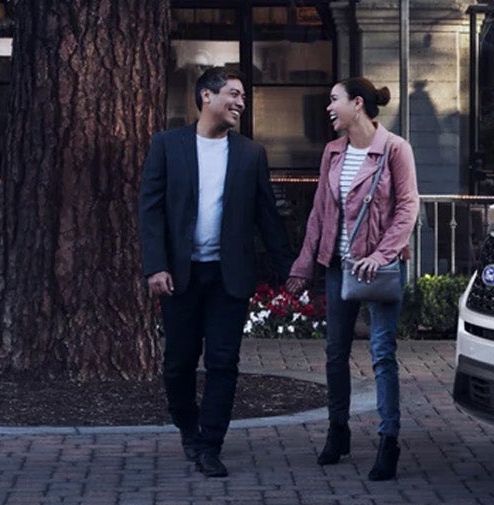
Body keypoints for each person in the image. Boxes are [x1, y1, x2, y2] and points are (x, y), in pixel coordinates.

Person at [138, 66, 294, 478]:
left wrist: (291, 270)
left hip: (230, 277)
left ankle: (211, 444)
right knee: (178, 363)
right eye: (233, 93)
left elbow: (267, 216)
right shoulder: (168, 146)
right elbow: (150, 210)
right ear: (206, 96)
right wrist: (155, 266)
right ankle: (188, 427)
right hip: (181, 277)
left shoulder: (250, 154)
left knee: (223, 362)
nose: (240, 102)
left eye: (243, 96)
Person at [286, 77, 420, 481]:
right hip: (339, 265)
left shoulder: (395, 149)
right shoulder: (332, 152)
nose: (328, 107)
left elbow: (407, 207)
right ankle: (338, 430)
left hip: (379, 268)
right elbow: (320, 214)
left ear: (357, 104)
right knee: (334, 353)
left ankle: (388, 440)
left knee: (382, 354)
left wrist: (380, 256)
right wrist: (303, 265)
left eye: (334, 100)